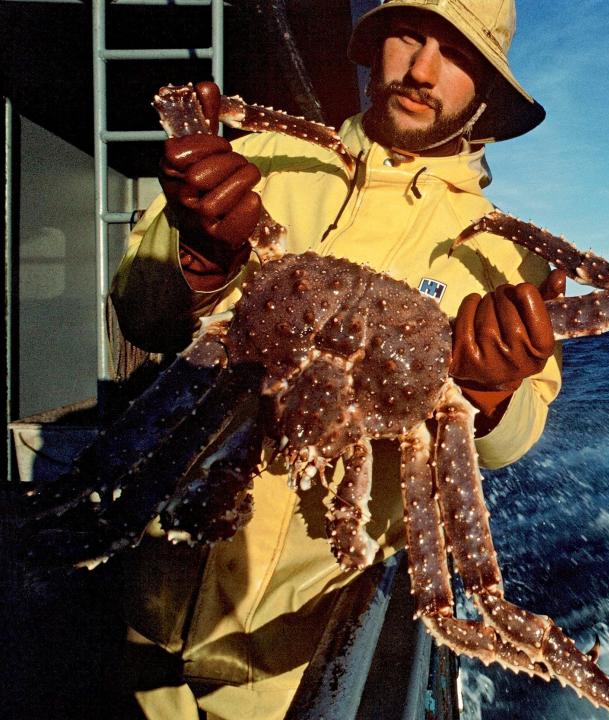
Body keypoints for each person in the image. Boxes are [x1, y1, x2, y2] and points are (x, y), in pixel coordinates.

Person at [110, 1, 563, 718]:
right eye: (408, 37)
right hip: (138, 590)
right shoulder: (261, 158)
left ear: (486, 90)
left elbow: (518, 434)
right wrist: (199, 259)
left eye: (457, 53)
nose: (421, 69)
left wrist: (495, 397)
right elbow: (142, 311)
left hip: (290, 658)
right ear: (375, 44)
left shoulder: (510, 259)